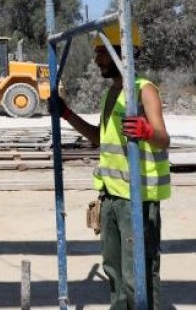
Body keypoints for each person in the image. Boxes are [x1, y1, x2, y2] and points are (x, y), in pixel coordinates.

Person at [52, 22, 170, 310]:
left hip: (138, 199)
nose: (97, 60)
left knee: (138, 273)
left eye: (102, 53)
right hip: (112, 197)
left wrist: (146, 132)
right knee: (114, 271)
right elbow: (100, 138)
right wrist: (67, 114)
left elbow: (163, 139)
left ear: (122, 53)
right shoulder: (111, 94)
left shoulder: (144, 91)